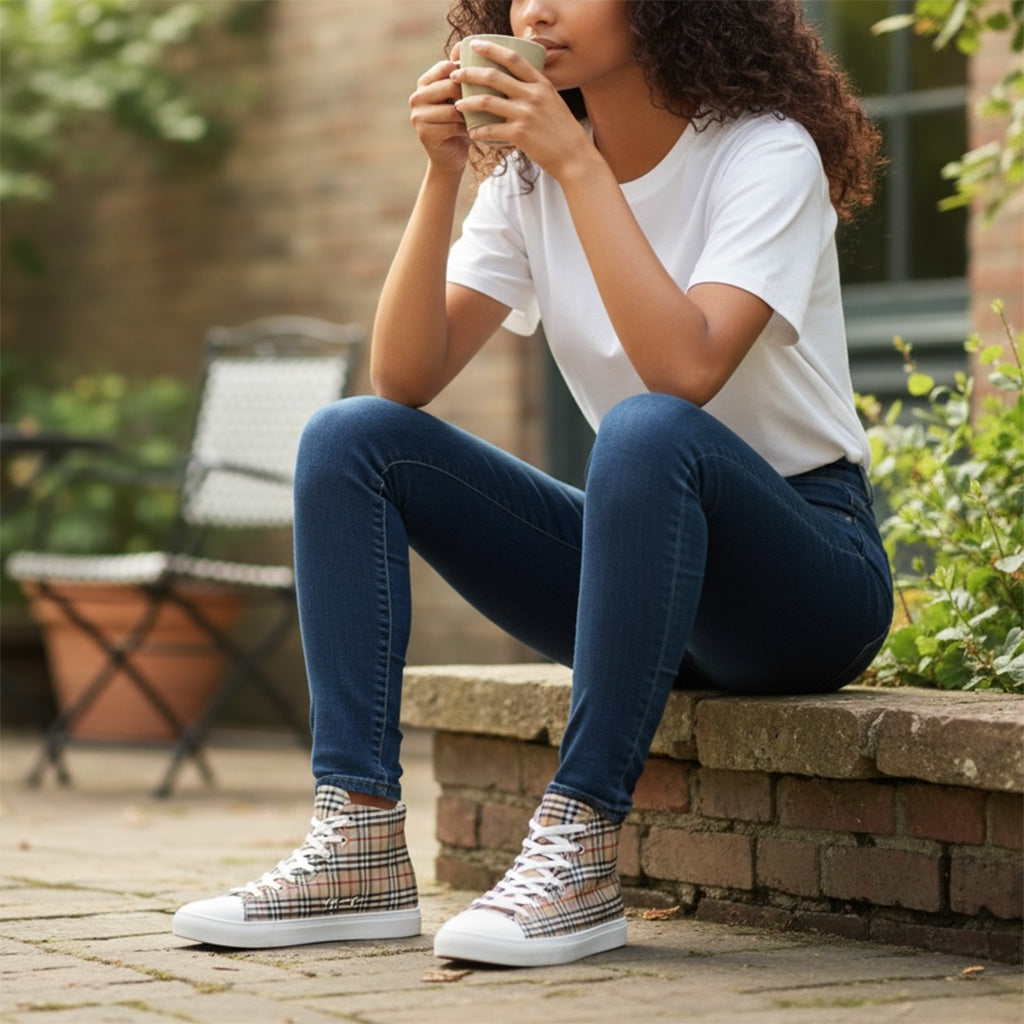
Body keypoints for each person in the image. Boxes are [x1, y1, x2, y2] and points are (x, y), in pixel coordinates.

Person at [173, 0, 892, 968]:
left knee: (647, 427)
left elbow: (684, 371)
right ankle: (359, 841)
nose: (536, 8)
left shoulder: (764, 153)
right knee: (353, 436)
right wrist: (440, 176)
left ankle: (581, 849)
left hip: (804, 583)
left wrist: (576, 166)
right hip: (645, 576)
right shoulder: (528, 180)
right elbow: (406, 378)